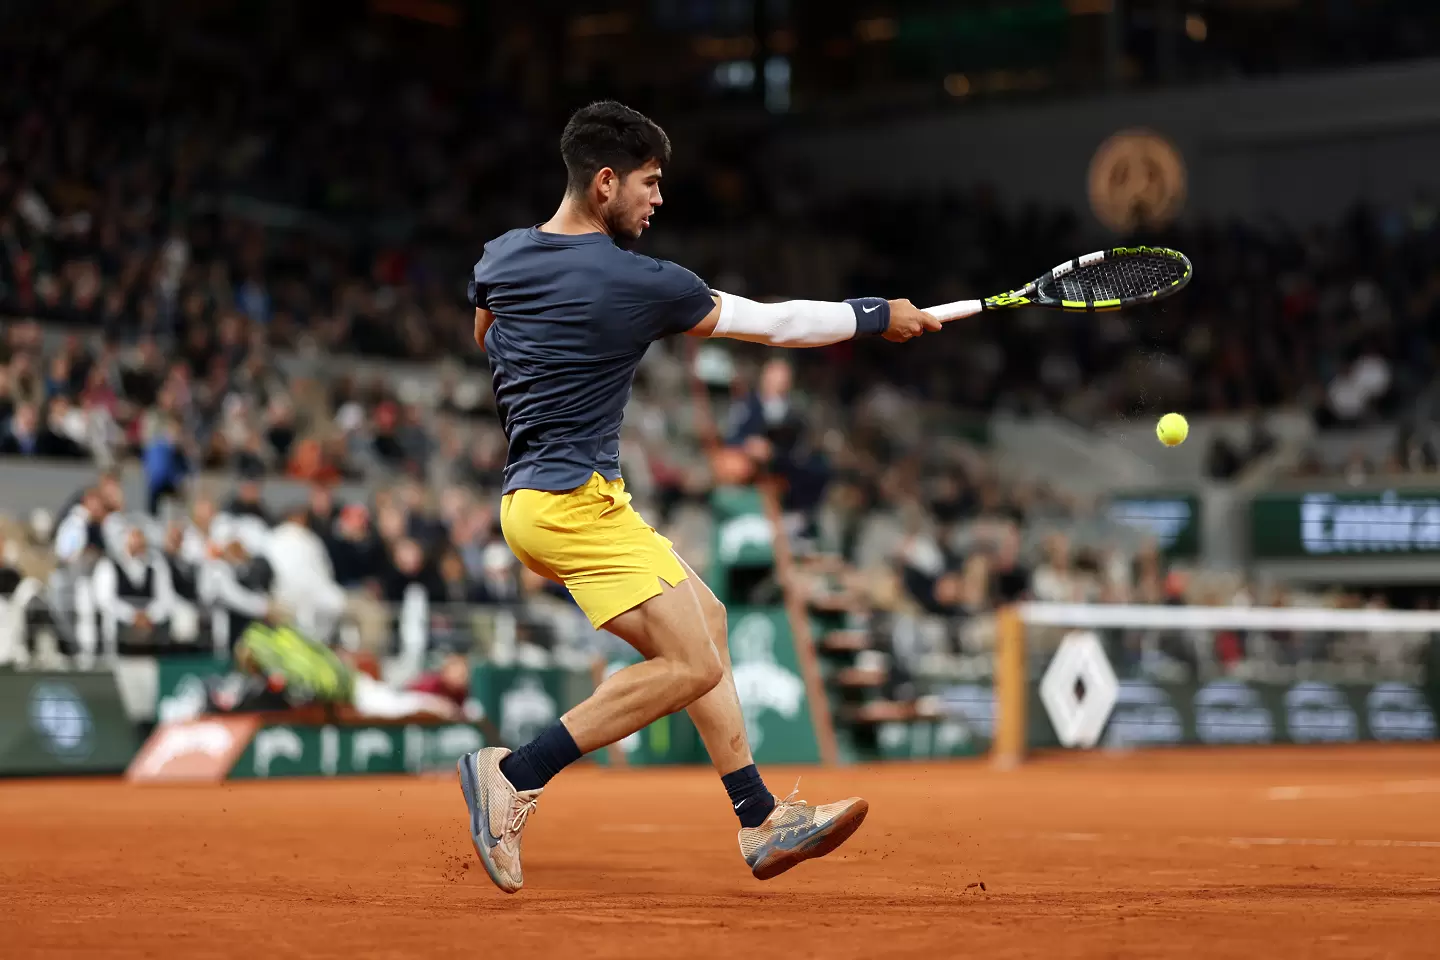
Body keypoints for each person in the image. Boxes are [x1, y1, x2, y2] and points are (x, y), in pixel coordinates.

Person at [457, 100, 950, 894]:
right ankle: (514, 773)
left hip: (545, 500)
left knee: (708, 624)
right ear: (606, 181)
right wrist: (873, 315)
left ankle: (758, 819)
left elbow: (486, 329)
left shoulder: (502, 257)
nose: (658, 200)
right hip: (570, 503)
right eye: (649, 184)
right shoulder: (638, 281)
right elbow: (774, 324)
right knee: (688, 664)